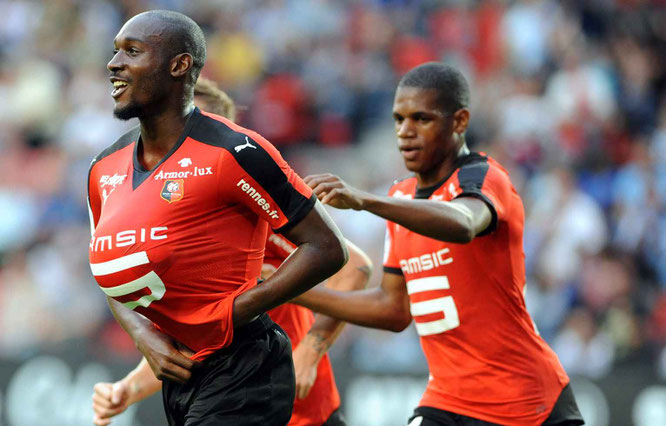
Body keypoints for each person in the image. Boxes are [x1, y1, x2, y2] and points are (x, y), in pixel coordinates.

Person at [88, 10, 347, 426]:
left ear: (179, 65)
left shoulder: (236, 151)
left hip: (246, 367)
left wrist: (234, 314)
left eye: (132, 52)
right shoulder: (103, 167)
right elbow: (116, 270)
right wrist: (144, 337)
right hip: (183, 376)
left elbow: (329, 248)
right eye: (115, 50)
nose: (113, 63)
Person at [299, 62, 585, 425]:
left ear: (460, 122)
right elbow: (392, 308)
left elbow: (463, 223)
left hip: (524, 400)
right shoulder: (400, 197)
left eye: (421, 118)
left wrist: (365, 201)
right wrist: (296, 294)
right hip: (448, 399)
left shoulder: (485, 177)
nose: (405, 131)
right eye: (398, 119)